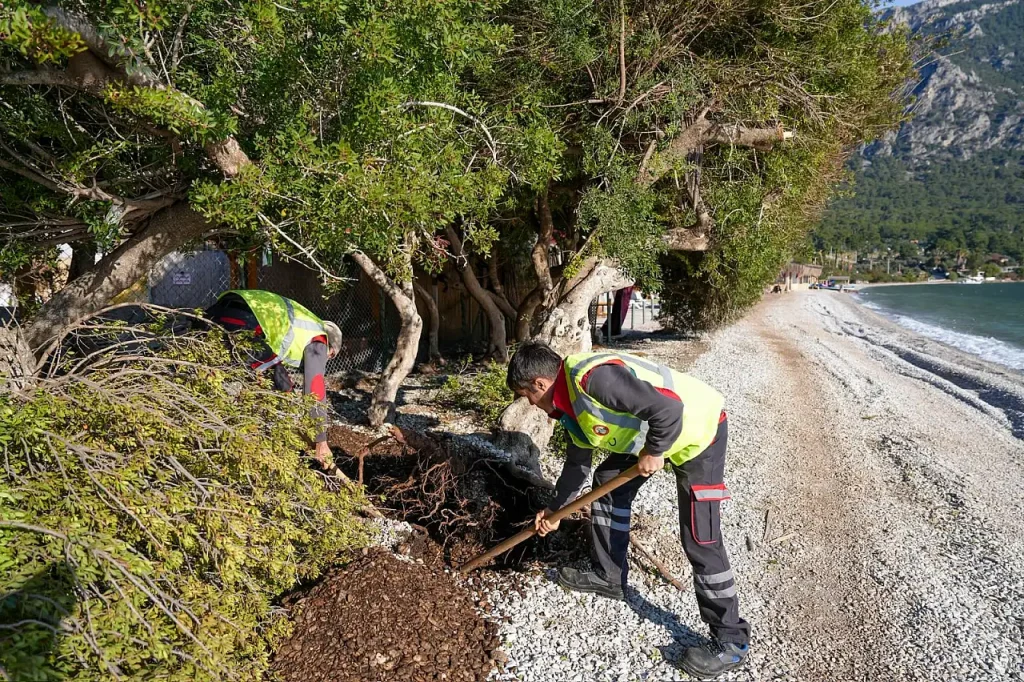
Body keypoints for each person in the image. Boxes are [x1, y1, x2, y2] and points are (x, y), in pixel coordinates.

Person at [505, 342, 751, 679]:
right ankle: (610, 576)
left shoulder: (592, 379)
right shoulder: (570, 408)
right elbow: (577, 467)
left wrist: (655, 450)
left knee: (700, 536)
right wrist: (554, 511)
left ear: (539, 384)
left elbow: (668, 410)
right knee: (607, 482)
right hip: (655, 435)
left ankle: (730, 641)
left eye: (527, 396)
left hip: (699, 433)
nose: (531, 405)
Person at [206, 289, 342, 467]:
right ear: (329, 346)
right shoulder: (318, 337)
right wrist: (321, 441)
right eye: (330, 355)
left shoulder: (303, 321)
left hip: (214, 314)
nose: (325, 359)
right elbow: (314, 387)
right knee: (282, 385)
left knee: (213, 377)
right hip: (245, 321)